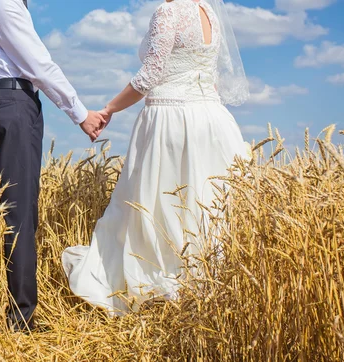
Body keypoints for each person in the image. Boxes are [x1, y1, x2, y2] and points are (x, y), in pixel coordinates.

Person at [62, 0, 250, 316]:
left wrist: (109, 108)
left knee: (157, 208)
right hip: (214, 121)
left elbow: (150, 74)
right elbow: (211, 77)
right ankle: (209, 292)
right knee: (206, 208)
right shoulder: (210, 14)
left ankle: (157, 286)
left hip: (170, 119)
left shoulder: (168, 12)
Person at [0, 0, 106, 332]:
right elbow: (39, 64)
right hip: (13, 107)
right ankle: (21, 318)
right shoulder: (6, 4)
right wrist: (81, 114)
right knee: (19, 212)